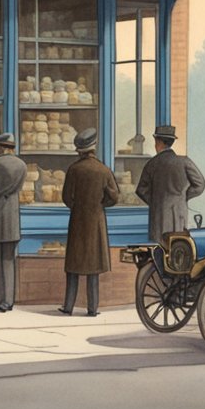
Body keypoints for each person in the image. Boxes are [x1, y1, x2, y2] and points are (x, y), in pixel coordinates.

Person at [60, 129, 118, 317]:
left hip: (77, 221)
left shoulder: (73, 170)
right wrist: (100, 205)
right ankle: (92, 308)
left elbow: (66, 198)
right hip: (96, 222)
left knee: (74, 267)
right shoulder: (104, 170)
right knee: (93, 268)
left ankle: (68, 306)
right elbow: (114, 197)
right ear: (94, 148)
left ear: (79, 150)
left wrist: (77, 207)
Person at [135, 124, 205, 245]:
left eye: (155, 141)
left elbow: (141, 190)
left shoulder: (152, 164)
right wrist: (183, 196)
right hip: (179, 213)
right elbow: (200, 185)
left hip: (158, 214)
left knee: (159, 248)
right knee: (179, 246)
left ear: (159, 142)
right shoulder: (184, 161)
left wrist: (155, 201)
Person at [0, 132, 26, 312]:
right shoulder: (22, 165)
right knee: (9, 259)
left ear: (0, 147)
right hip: (12, 218)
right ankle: (9, 300)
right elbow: (18, 189)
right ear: (12, 147)